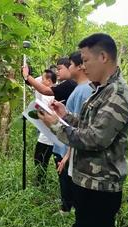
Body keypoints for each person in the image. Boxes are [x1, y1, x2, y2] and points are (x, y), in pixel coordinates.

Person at [39, 33, 128, 227]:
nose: (83, 67)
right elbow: (88, 125)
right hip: (87, 182)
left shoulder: (117, 93)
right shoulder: (101, 90)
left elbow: (96, 139)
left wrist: (57, 126)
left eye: (85, 61)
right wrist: (66, 116)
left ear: (103, 57)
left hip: (100, 187)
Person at [23, 57, 77, 212]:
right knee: (60, 167)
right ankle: (66, 203)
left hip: (61, 135)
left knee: (62, 168)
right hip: (62, 134)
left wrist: (27, 76)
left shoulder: (70, 85)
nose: (58, 72)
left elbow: (44, 89)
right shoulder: (69, 86)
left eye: (60, 68)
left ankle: (66, 207)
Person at [56, 51, 93, 227]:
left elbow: (80, 129)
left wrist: (67, 155)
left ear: (80, 66)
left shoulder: (86, 90)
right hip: (68, 148)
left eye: (69, 64)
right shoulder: (80, 88)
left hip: (72, 151)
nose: (67, 68)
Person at [33, 69, 57, 183]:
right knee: (43, 158)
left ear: (48, 80)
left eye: (43, 79)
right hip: (49, 132)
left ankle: (40, 182)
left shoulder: (48, 96)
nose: (41, 81)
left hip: (48, 134)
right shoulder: (55, 91)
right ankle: (41, 181)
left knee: (40, 159)